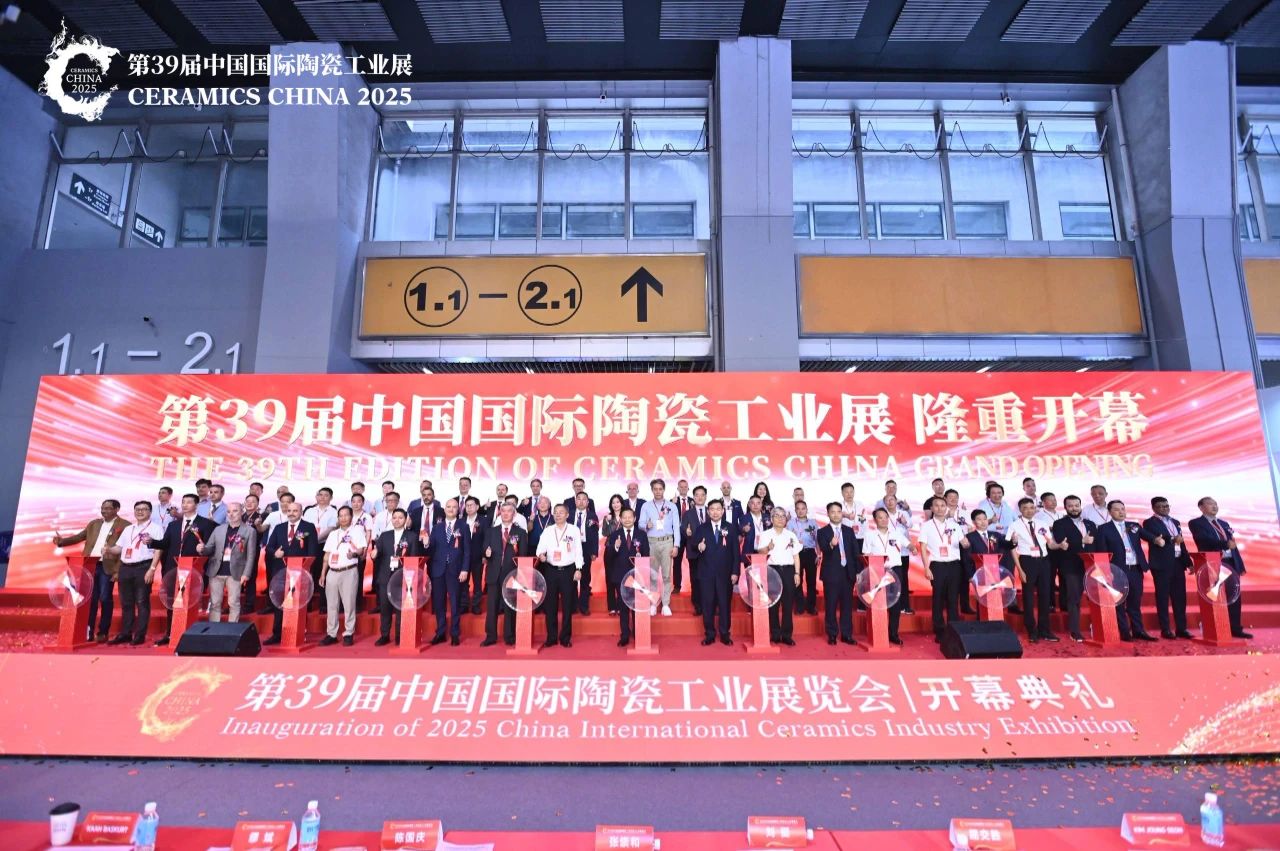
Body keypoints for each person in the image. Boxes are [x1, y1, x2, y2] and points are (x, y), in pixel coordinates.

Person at [53, 499, 128, 642]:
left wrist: (118, 570)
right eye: (102, 508)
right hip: (89, 565)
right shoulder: (94, 523)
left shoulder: (125, 525)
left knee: (105, 598)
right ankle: (88, 631)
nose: (104, 511)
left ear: (117, 509)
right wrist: (62, 542)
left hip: (108, 566)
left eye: (108, 508)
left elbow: (124, 549)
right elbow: (80, 537)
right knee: (90, 600)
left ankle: (103, 632)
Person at [148, 494, 217, 646]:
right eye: (183, 502)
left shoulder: (206, 524)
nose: (185, 505)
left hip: (192, 568)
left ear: (196, 505)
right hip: (172, 568)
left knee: (188, 603)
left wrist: (203, 549)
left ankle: (188, 633)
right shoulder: (173, 525)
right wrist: (151, 542)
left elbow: (211, 548)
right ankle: (170, 633)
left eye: (189, 502)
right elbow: (165, 544)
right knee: (172, 601)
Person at [1093, 500, 1162, 641]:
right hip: (1117, 571)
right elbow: (1101, 552)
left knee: (1135, 602)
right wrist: (1106, 572)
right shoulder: (1103, 529)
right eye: (1117, 509)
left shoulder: (1133, 525)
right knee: (1119, 603)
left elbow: (1149, 537)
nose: (1121, 512)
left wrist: (1156, 540)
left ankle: (1139, 631)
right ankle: (1125, 632)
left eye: (1123, 509)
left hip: (1135, 569)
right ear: (1109, 512)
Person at [1188, 497, 1251, 639]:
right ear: (1201, 507)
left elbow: (1232, 544)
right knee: (1214, 596)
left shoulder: (1223, 523)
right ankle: (1216, 627)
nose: (1214, 506)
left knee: (1234, 596)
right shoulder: (1196, 523)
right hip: (1213, 563)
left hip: (1230, 562)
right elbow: (1203, 540)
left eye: (1215, 504)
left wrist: (1239, 564)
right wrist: (1224, 544)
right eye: (1210, 504)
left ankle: (1235, 628)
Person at [261, 501, 320, 646]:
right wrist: (275, 552)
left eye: (295, 511)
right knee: (281, 604)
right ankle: (277, 634)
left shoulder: (308, 527)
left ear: (301, 512)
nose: (291, 513)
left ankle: (298, 632)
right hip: (281, 572)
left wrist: (307, 570)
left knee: (296, 604)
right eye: (289, 511)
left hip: (299, 572)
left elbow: (312, 551)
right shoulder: (279, 528)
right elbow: (269, 547)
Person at [106, 501, 165, 646]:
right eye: (137, 509)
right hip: (125, 567)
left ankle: (140, 635)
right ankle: (125, 633)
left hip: (143, 567)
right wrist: (108, 549)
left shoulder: (156, 528)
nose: (140, 512)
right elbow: (119, 548)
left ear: (150, 512)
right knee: (126, 602)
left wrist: (152, 569)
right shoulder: (128, 529)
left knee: (141, 601)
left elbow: (159, 550)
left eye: (144, 509)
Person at [918, 495, 969, 643]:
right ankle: (939, 630)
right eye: (937, 505)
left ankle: (954, 630)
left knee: (953, 598)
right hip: (937, 565)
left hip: (954, 565)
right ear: (932, 508)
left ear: (946, 507)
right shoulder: (926, 526)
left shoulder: (954, 525)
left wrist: (966, 543)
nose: (940, 508)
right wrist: (926, 568)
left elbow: (963, 543)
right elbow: (923, 548)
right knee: (938, 598)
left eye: (942, 505)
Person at [371, 508, 424, 646]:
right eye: (394, 517)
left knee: (401, 608)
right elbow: (377, 553)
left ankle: (400, 635)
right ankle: (384, 635)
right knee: (385, 607)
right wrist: (374, 553)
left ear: (405, 520)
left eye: (400, 518)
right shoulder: (385, 535)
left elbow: (414, 557)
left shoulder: (411, 536)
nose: (397, 520)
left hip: (403, 577)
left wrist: (411, 577)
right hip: (385, 576)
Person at [1008, 497, 1058, 643]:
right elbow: (1012, 548)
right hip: (1027, 562)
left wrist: (1060, 545)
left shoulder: (1042, 524)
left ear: (1036, 508)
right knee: (1028, 597)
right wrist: (1019, 569)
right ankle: (1031, 630)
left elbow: (1050, 544)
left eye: (1032, 507)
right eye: (1025, 508)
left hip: (1044, 561)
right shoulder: (1014, 525)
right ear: (1020, 510)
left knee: (1045, 596)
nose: (1029, 510)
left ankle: (1045, 630)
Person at [1143, 497, 1194, 639]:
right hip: (1162, 565)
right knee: (1163, 597)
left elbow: (1181, 543)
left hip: (1178, 563)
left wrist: (1188, 562)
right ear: (1154, 508)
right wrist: (1172, 539)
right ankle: (1165, 629)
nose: (1164, 508)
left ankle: (1181, 628)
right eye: (1160, 506)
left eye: (1166, 506)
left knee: (1180, 597)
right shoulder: (1149, 522)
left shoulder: (1175, 522)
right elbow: (1159, 537)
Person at [199, 501, 257, 623]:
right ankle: (214, 628)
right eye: (229, 511)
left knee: (234, 603)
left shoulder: (249, 531)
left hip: (236, 572)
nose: (231, 514)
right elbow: (209, 548)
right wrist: (202, 549)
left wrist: (246, 574)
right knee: (215, 603)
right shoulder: (218, 529)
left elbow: (251, 555)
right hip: (216, 570)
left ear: (242, 512)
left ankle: (232, 629)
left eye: (235, 511)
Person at [1049, 495, 1097, 642]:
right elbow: (1062, 543)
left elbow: (1096, 544)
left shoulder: (1090, 524)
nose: (1074, 508)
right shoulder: (1059, 524)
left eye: (1077, 505)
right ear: (1065, 507)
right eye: (1070, 506)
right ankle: (1075, 631)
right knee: (1074, 599)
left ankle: (1097, 628)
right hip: (1070, 566)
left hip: (1091, 566)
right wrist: (1081, 540)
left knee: (1095, 598)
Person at [535, 504, 583, 648]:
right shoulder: (548, 530)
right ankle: (551, 637)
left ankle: (565, 637)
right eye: (555, 512)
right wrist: (541, 555)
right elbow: (539, 548)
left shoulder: (574, 530)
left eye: (561, 512)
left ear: (567, 515)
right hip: (551, 570)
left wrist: (578, 569)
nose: (558, 515)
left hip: (568, 570)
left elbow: (578, 551)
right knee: (550, 606)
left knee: (567, 605)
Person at [691, 499, 737, 646]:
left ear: (722, 511)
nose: (715, 512)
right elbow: (692, 546)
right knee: (707, 605)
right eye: (712, 509)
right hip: (706, 574)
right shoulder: (701, 528)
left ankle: (725, 634)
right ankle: (709, 634)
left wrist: (735, 572)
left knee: (724, 605)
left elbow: (736, 552)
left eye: (718, 509)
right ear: (708, 512)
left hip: (725, 574)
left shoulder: (730, 528)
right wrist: (699, 546)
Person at [481, 503, 528, 647]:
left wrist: (520, 575)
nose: (506, 513)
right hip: (494, 573)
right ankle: (490, 636)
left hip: (512, 573)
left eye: (509, 511)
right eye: (503, 511)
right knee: (492, 606)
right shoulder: (491, 531)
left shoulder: (521, 533)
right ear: (500, 513)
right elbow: (485, 549)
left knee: (509, 606)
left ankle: (510, 636)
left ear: (514, 514)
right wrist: (486, 553)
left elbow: (523, 555)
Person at [319, 506, 367, 647]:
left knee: (349, 604)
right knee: (331, 605)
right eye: (341, 515)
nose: (343, 518)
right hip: (332, 572)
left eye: (346, 515)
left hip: (349, 571)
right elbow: (327, 555)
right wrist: (323, 574)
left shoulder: (357, 531)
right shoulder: (333, 534)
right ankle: (331, 634)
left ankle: (348, 633)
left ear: (351, 517)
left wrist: (354, 554)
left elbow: (361, 549)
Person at [863, 507, 911, 645]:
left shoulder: (896, 533)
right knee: (879, 603)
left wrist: (913, 549)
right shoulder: (869, 535)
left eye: (886, 517)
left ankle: (893, 634)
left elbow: (909, 544)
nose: (884, 520)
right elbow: (866, 553)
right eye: (880, 517)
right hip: (877, 571)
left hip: (895, 570)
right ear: (875, 520)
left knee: (895, 603)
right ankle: (879, 633)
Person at [426, 498, 470, 646]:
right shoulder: (437, 527)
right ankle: (440, 632)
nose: (451, 509)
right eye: (448, 507)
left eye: (454, 507)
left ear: (458, 510)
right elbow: (431, 548)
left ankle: (455, 633)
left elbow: (467, 550)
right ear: (444, 509)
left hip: (455, 570)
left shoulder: (464, 526)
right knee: (439, 603)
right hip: (438, 570)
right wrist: (426, 543)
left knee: (455, 603)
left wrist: (465, 569)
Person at [606, 507, 651, 647]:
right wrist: (615, 547)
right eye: (624, 517)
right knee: (623, 606)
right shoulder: (615, 535)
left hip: (638, 576)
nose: (627, 519)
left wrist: (644, 574)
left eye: (629, 517)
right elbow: (608, 557)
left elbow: (646, 555)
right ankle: (625, 635)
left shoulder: (641, 535)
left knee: (637, 606)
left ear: (635, 518)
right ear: (620, 519)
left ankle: (638, 633)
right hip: (620, 576)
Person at [756, 508, 801, 646]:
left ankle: (787, 635)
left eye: (783, 516)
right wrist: (768, 548)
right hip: (772, 570)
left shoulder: (791, 535)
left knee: (788, 604)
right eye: (777, 516)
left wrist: (797, 573)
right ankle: (775, 634)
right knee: (773, 604)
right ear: (771, 518)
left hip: (788, 570)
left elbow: (796, 555)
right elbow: (760, 553)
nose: (780, 518)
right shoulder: (765, 534)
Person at [816, 502, 858, 645]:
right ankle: (832, 634)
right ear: (828, 514)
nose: (836, 514)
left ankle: (847, 634)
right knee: (831, 605)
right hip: (831, 574)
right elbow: (823, 549)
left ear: (842, 513)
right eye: (832, 512)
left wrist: (857, 572)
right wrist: (831, 544)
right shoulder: (822, 532)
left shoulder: (849, 531)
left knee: (847, 606)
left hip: (848, 573)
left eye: (838, 511)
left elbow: (855, 552)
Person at [638, 479, 681, 616]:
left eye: (660, 489)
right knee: (652, 575)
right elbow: (640, 523)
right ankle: (653, 603)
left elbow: (676, 527)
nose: (658, 491)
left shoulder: (672, 506)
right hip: (651, 542)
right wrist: (646, 525)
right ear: (652, 490)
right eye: (655, 489)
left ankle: (666, 604)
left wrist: (676, 545)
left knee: (667, 575)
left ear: (664, 489)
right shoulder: (646, 506)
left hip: (667, 541)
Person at [303, 488, 339, 612]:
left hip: (325, 546)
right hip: (308, 546)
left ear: (331, 498)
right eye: (320, 495)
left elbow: (332, 528)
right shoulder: (309, 511)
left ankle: (323, 604)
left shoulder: (334, 512)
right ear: (316, 497)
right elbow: (304, 528)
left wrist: (315, 539)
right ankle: (307, 604)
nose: (322, 497)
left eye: (326, 495)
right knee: (308, 574)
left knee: (324, 574)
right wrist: (307, 539)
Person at [883, 494, 915, 614]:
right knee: (890, 580)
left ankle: (905, 606)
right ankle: (891, 605)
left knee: (903, 579)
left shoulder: (903, 513)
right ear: (884, 503)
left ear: (896, 501)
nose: (890, 502)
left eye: (892, 499)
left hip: (904, 551)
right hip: (890, 553)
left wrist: (904, 522)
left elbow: (911, 525)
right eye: (887, 500)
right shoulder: (883, 515)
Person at [787, 501, 820, 616]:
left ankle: (811, 606)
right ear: (795, 510)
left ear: (807, 510)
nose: (801, 511)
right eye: (798, 509)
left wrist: (818, 554)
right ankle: (799, 606)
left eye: (803, 508)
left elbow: (817, 540)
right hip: (797, 553)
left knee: (811, 581)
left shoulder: (813, 523)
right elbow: (788, 540)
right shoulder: (790, 523)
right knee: (797, 580)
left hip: (810, 553)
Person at [681, 487, 710, 616]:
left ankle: (709, 605)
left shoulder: (711, 511)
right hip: (693, 551)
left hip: (710, 552)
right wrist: (686, 532)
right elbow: (683, 529)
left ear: (706, 497)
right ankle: (697, 605)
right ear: (693, 497)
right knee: (695, 580)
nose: (700, 497)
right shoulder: (688, 514)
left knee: (709, 579)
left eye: (702, 495)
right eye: (697, 495)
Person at [570, 491, 599, 615]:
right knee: (571, 577)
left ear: (587, 502)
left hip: (586, 547)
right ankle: (572, 606)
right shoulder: (569, 514)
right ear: (575, 501)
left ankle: (584, 606)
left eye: (584, 499)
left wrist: (594, 551)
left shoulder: (593, 515)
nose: (581, 501)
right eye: (579, 499)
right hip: (571, 548)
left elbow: (595, 534)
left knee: (585, 578)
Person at [462, 496, 490, 614]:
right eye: (467, 505)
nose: (469, 508)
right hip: (463, 557)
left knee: (477, 582)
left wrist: (485, 555)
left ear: (477, 507)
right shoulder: (461, 520)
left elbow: (487, 538)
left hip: (478, 556)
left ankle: (476, 605)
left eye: (471, 505)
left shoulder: (484, 520)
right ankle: (464, 604)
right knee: (463, 582)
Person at [348, 492, 376, 612]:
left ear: (363, 503)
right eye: (354, 501)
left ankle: (357, 605)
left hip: (359, 551)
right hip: (346, 550)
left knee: (358, 577)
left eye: (359, 501)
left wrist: (365, 551)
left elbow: (368, 533)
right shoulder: (347, 514)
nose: (356, 504)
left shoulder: (366, 517)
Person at [241, 493, 265, 614]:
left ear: (257, 505)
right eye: (248, 501)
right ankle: (234, 604)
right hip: (238, 551)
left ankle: (249, 605)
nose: (250, 503)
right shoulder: (240, 516)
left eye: (253, 501)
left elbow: (261, 533)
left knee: (250, 576)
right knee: (236, 576)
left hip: (252, 550)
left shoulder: (260, 518)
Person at [671, 479, 694, 594]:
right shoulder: (672, 502)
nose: (683, 489)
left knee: (693, 561)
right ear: (678, 488)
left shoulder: (693, 501)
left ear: (688, 488)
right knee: (677, 561)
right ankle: (677, 586)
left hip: (690, 534)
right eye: (681, 487)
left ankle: (695, 585)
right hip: (677, 534)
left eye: (685, 487)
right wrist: (672, 504)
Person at [739, 495, 768, 570]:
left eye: (758, 503)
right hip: (750, 552)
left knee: (764, 575)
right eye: (753, 503)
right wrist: (743, 530)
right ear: (749, 504)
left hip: (764, 551)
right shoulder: (744, 518)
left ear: (761, 504)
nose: (755, 505)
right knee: (750, 575)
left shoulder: (767, 517)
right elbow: (740, 532)